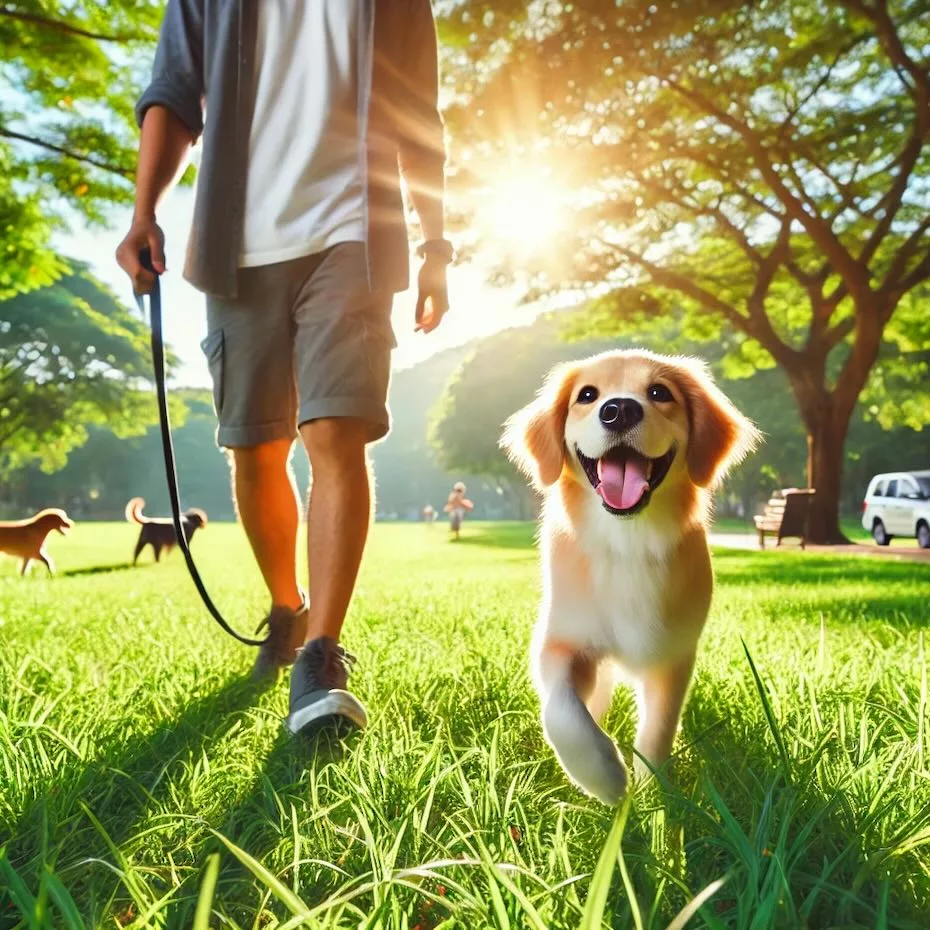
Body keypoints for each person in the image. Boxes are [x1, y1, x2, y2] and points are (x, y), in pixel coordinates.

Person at [116, 1, 451, 737]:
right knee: (256, 444)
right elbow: (173, 94)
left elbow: (417, 109)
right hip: (238, 245)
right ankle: (287, 608)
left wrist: (435, 247)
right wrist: (144, 213)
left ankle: (323, 654)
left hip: (354, 237)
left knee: (336, 429)